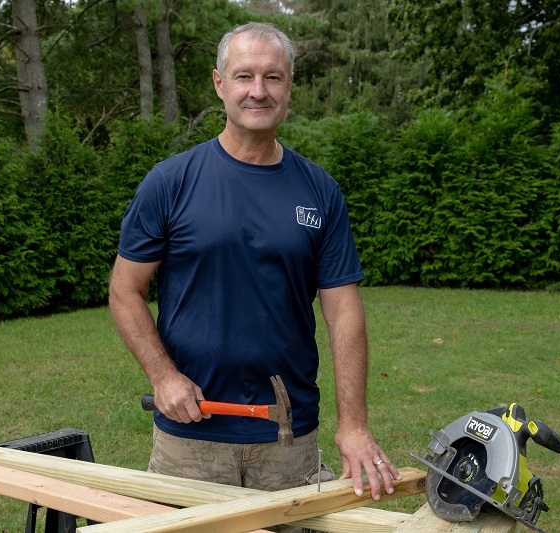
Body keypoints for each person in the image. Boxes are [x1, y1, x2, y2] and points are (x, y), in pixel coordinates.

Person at [108, 21, 401, 523]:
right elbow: (124, 290)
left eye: (273, 77)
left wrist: (353, 424)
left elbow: (344, 311)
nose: (258, 91)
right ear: (220, 84)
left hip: (288, 440)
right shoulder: (171, 182)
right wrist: (163, 376)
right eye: (244, 76)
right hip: (190, 439)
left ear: (290, 87)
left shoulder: (320, 192)